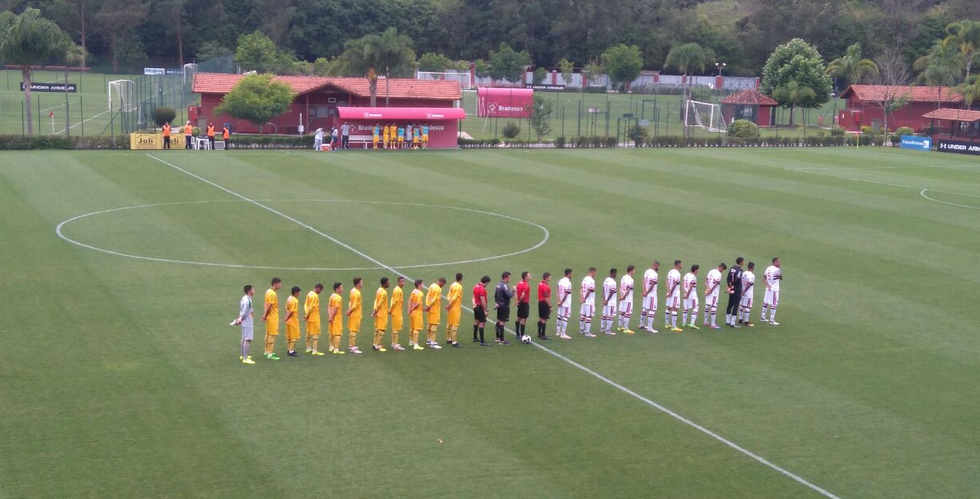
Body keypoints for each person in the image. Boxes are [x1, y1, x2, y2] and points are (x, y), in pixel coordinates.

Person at [233, 285, 255, 364]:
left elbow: (242, 310)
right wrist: (240, 319)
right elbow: (245, 312)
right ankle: (245, 359)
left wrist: (239, 319)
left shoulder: (243, 298)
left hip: (244, 321)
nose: (254, 290)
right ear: (249, 291)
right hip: (247, 321)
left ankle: (243, 355)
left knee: (244, 337)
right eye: (253, 289)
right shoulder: (248, 300)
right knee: (248, 339)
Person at [262, 277, 282, 360]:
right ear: (275, 284)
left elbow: (265, 304)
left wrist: (265, 315)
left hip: (269, 316)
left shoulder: (268, 291)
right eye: (279, 284)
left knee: (268, 333)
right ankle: (270, 353)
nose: (280, 285)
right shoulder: (272, 294)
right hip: (272, 317)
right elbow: (269, 306)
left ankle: (266, 351)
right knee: (272, 334)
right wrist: (265, 315)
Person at [703, 263, 727, 330]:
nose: (722, 271)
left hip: (708, 291)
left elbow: (705, 281)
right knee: (714, 307)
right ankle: (713, 324)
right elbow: (716, 283)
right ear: (721, 268)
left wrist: (708, 289)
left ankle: (705, 322)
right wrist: (711, 290)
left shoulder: (711, 271)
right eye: (723, 270)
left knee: (707, 306)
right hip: (714, 293)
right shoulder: (719, 274)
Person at [494, 272, 515, 345]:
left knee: (499, 320)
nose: (509, 279)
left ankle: (497, 337)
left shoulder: (498, 285)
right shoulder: (504, 286)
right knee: (502, 322)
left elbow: (495, 295)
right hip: (504, 306)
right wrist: (514, 290)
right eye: (509, 277)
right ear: (505, 277)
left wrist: (496, 302)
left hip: (499, 305)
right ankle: (502, 340)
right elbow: (510, 295)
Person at [425, 278, 445, 349]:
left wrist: (427, 305)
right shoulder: (438, 289)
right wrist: (429, 306)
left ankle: (429, 340)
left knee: (430, 324)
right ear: (441, 282)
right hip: (435, 309)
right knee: (434, 325)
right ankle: (432, 343)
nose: (443, 286)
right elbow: (434, 299)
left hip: (430, 309)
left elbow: (427, 296)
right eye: (443, 284)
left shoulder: (432, 285)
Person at [304, 283, 324, 356]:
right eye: (320, 290)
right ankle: (315, 350)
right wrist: (307, 315)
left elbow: (305, 305)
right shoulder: (315, 296)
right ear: (318, 288)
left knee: (308, 333)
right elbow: (311, 307)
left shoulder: (309, 294)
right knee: (315, 334)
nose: (320, 292)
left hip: (309, 318)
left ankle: (308, 348)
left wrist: (306, 314)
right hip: (314, 317)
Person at [640, 261, 660, 333]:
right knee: (652, 310)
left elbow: (643, 281)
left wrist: (645, 291)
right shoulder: (654, 274)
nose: (658, 268)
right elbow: (652, 285)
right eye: (658, 266)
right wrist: (647, 292)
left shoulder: (647, 271)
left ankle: (641, 324)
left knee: (644, 308)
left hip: (646, 294)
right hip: (651, 295)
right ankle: (650, 328)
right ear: (655, 265)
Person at [761, 257, 782, 325]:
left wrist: (767, 285)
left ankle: (763, 317)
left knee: (766, 302)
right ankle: (771, 320)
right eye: (778, 262)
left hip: (768, 288)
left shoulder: (768, 268)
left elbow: (763, 278)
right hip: (774, 289)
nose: (779, 263)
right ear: (775, 262)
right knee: (774, 303)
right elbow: (781, 277)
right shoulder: (777, 270)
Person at [445, 273, 463, 347]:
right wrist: (450, 305)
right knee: (455, 325)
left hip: (451, 308)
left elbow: (449, 295)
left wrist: (449, 304)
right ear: (461, 279)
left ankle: (448, 339)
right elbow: (455, 297)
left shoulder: (453, 285)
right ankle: (454, 342)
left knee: (449, 323)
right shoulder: (459, 287)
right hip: (455, 308)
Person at [472, 275, 491, 345]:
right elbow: (483, 301)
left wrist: (473, 304)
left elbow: (473, 296)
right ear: (486, 282)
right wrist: (485, 310)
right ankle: (482, 342)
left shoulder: (476, 286)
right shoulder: (482, 289)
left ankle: (474, 337)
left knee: (476, 321)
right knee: (482, 323)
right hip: (480, 307)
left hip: (476, 306)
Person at [665, 260, 683, 332]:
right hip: (674, 293)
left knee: (669, 307)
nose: (682, 265)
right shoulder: (677, 274)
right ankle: (674, 326)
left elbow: (666, 282)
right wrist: (671, 292)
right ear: (678, 265)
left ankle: (667, 324)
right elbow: (675, 284)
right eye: (681, 264)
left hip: (670, 292)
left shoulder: (670, 272)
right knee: (675, 308)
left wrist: (668, 291)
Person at [726, 257, 744, 327]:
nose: (743, 263)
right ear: (740, 262)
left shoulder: (732, 268)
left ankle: (727, 321)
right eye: (743, 261)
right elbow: (737, 279)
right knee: (736, 305)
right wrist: (733, 284)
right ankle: (732, 323)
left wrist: (729, 285)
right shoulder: (740, 270)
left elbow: (728, 277)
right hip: (737, 288)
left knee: (730, 303)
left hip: (731, 288)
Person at [327, 283, 345, 355]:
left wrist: (330, 316)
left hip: (331, 317)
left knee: (331, 333)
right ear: (337, 289)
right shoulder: (338, 298)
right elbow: (336, 309)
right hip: (336, 317)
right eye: (341, 287)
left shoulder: (332, 296)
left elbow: (328, 307)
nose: (342, 289)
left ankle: (331, 347)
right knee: (337, 333)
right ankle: (336, 349)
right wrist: (332, 317)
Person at [346, 277, 363, 354]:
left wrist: (349, 311)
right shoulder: (357, 293)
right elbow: (355, 305)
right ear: (358, 284)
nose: (362, 283)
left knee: (352, 330)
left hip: (352, 313)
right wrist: (349, 311)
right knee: (353, 331)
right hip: (356, 314)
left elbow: (350, 302)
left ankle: (350, 345)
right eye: (361, 282)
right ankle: (353, 347)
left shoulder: (352, 290)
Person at [389, 276, 406, 351]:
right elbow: (394, 301)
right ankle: (395, 344)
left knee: (395, 328)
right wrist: (390, 310)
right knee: (396, 328)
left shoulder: (398, 289)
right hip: (396, 312)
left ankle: (393, 343)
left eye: (404, 281)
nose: (403, 283)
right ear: (398, 282)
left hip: (397, 311)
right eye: (402, 281)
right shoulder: (398, 290)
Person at [372, 277, 389, 352]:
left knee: (377, 329)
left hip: (378, 313)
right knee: (382, 329)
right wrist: (375, 311)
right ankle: (377, 346)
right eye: (387, 282)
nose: (389, 283)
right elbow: (380, 303)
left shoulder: (379, 290)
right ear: (384, 284)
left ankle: (375, 343)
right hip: (382, 313)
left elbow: (376, 301)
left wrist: (375, 310)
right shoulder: (384, 292)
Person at [579, 267, 597, 338]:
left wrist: (582, 298)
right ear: (592, 272)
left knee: (583, 315)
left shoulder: (584, 279)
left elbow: (581, 289)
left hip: (584, 301)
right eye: (595, 272)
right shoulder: (591, 281)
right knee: (589, 316)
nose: (595, 274)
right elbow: (589, 291)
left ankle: (581, 330)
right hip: (589, 301)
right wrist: (585, 298)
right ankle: (587, 332)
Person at [556, 268, 573, 339]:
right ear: (568, 274)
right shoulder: (568, 283)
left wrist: (559, 301)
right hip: (566, 303)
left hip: (560, 302)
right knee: (565, 317)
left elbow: (557, 291)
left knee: (560, 316)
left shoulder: (561, 281)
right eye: (571, 273)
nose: (572, 274)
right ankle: (563, 333)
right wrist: (562, 302)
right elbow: (566, 294)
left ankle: (558, 331)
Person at [408, 279, 425, 350]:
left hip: (412, 313)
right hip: (417, 313)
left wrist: (409, 309)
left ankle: (411, 341)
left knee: (412, 328)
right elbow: (417, 304)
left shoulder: (413, 291)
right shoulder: (420, 293)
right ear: (419, 285)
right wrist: (412, 308)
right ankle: (416, 344)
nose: (423, 285)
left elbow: (410, 300)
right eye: (422, 284)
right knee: (416, 329)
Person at [284, 286, 301, 356]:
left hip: (288, 321)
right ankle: (291, 351)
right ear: (296, 293)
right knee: (294, 337)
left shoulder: (289, 298)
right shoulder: (295, 301)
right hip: (293, 320)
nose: (299, 294)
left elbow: (286, 308)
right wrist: (287, 317)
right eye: (299, 292)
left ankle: (289, 349)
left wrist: (286, 316)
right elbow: (292, 312)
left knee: (289, 336)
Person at [618, 265, 635, 334]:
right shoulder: (630, 280)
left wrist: (622, 296)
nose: (634, 271)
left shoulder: (623, 278)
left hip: (623, 298)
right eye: (634, 270)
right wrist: (624, 296)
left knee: (622, 312)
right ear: (631, 271)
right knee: (628, 313)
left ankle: (620, 327)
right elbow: (628, 290)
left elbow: (620, 287)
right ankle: (626, 328)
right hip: (627, 299)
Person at [601, 269, 618, 336]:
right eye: (616, 273)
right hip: (611, 302)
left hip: (606, 302)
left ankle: (602, 329)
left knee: (605, 315)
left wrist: (604, 299)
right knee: (610, 316)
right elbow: (611, 292)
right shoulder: (613, 282)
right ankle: (608, 331)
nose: (616, 275)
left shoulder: (606, 280)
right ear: (613, 273)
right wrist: (607, 300)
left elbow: (603, 289)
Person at [683, 265, 700, 329]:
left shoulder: (686, 275)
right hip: (692, 295)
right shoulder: (693, 277)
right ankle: (692, 323)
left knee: (686, 308)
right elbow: (691, 286)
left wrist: (685, 292)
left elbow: (683, 283)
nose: (698, 271)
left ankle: (684, 323)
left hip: (686, 293)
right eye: (698, 270)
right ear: (695, 270)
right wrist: (688, 294)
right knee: (696, 307)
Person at [515, 271, 532, 341]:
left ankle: (517, 333)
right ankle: (522, 335)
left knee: (519, 317)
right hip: (524, 303)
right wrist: (519, 301)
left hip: (520, 303)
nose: (530, 276)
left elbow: (516, 292)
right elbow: (522, 295)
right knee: (523, 319)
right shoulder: (526, 286)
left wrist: (517, 301)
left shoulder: (519, 283)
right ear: (526, 277)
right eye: (529, 275)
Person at [739, 262, 756, 327]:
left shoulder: (744, 273)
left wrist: (742, 291)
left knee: (742, 305)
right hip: (748, 293)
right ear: (752, 267)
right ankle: (746, 321)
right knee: (748, 306)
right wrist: (744, 291)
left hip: (742, 292)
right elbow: (749, 284)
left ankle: (740, 319)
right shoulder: (752, 275)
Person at [537, 272, 552, 340]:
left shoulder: (540, 284)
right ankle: (543, 335)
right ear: (547, 277)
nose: (550, 278)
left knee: (540, 318)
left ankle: (539, 333)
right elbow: (546, 297)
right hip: (544, 303)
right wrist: (550, 306)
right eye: (550, 277)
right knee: (544, 319)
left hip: (540, 302)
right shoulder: (545, 286)